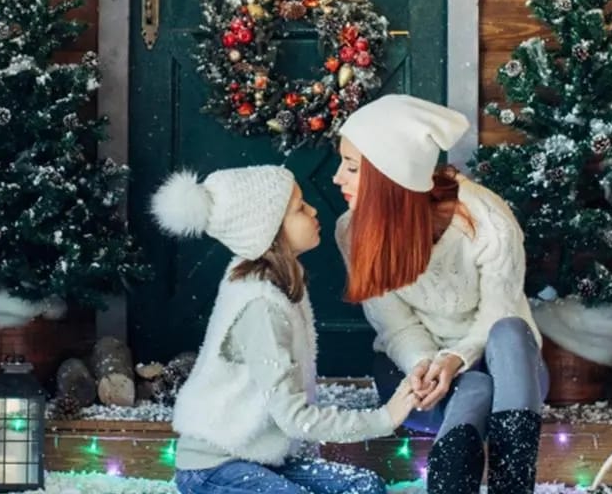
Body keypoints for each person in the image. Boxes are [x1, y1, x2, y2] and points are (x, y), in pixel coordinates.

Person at [151, 165, 417, 494]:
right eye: (300, 209)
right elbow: (294, 417)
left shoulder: (281, 284)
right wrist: (385, 418)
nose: (314, 211)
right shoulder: (260, 306)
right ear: (269, 230)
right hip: (215, 467)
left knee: (364, 486)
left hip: (261, 457)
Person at [333, 94, 547, 494]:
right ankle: (452, 480)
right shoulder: (352, 231)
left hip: (507, 374)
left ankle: (512, 484)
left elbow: (497, 314)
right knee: (474, 388)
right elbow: (395, 326)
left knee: (510, 333)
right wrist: (428, 366)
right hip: (414, 375)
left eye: (351, 167)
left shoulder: (486, 219)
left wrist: (456, 358)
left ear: (389, 176)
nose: (336, 178)